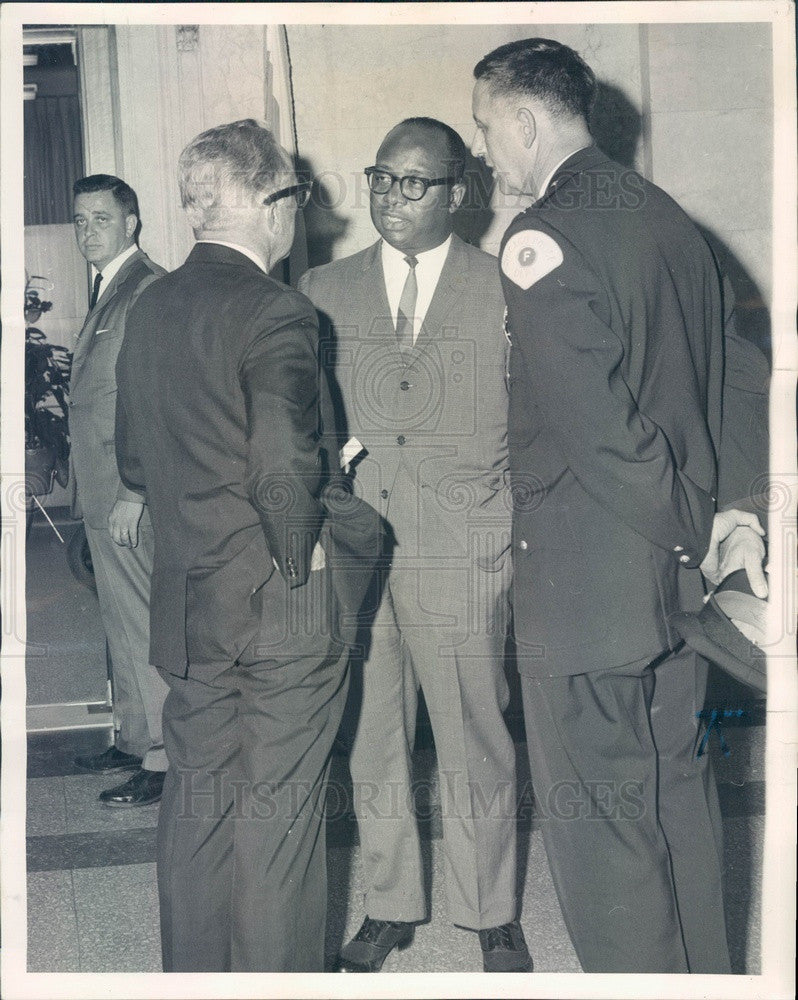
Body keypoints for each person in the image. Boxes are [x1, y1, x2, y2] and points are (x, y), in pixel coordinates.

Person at [471, 38, 766, 973]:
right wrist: (734, 518)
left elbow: (600, 433)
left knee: (602, 825)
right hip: (681, 592)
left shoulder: (540, 240)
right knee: (680, 795)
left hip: (588, 586)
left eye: (486, 127)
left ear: (525, 121)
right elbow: (742, 380)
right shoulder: (670, 219)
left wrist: (689, 529)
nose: (485, 150)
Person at [114, 119, 379, 972]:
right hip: (280, 607)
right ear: (272, 204)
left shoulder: (149, 303)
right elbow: (276, 468)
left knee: (198, 808)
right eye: (296, 196)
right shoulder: (277, 308)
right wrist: (303, 543)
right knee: (280, 823)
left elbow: (133, 457)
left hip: (191, 601)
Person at [300, 117, 531, 973]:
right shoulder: (323, 287)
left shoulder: (505, 285)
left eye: (413, 183)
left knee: (475, 733)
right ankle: (391, 902)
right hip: (362, 546)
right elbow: (308, 419)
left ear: (457, 192)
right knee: (371, 730)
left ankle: (492, 911)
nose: (391, 198)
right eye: (380, 179)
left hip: (463, 543)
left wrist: (501, 518)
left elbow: (537, 414)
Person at [69, 174, 169, 807]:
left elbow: (151, 404)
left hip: (129, 491)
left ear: (132, 221)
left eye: (100, 219)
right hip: (102, 487)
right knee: (120, 616)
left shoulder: (146, 289)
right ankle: (134, 736)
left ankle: (162, 757)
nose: (88, 232)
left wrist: (135, 491)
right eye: (80, 221)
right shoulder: (109, 288)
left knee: (141, 617)